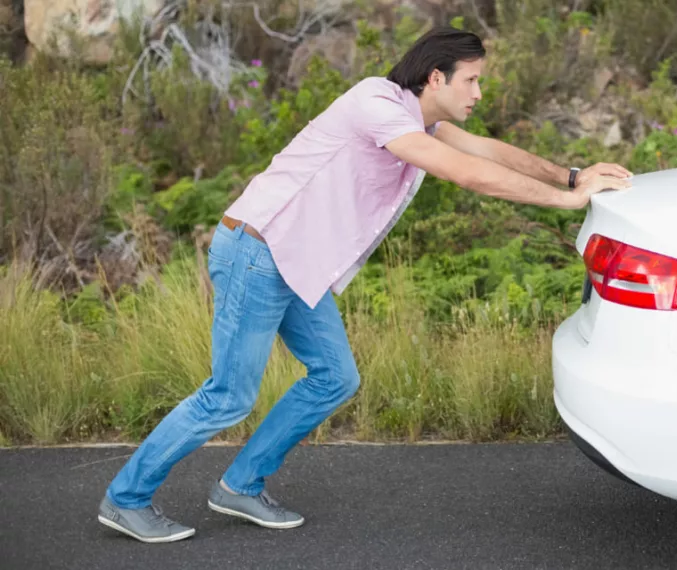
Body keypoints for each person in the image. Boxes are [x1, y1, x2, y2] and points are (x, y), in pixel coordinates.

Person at [97, 25, 632, 543]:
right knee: (229, 396)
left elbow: (486, 152)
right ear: (436, 79)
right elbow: (467, 174)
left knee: (335, 377)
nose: (479, 91)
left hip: (296, 264)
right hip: (260, 250)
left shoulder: (422, 121)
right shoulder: (377, 103)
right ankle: (126, 499)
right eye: (471, 79)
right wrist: (566, 203)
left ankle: (240, 485)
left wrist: (572, 176)